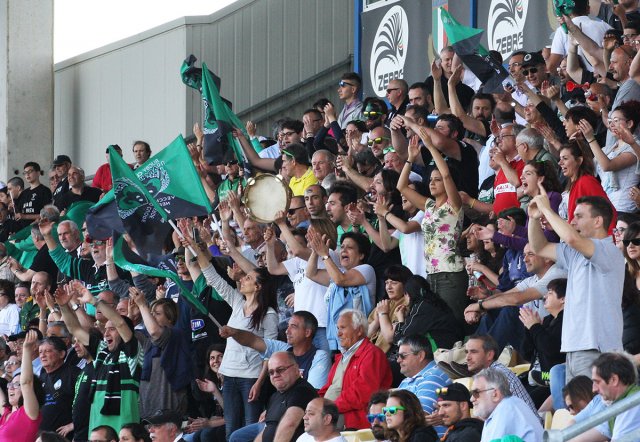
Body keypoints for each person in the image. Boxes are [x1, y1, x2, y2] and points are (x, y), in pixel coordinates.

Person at [528, 191, 625, 381]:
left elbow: (572, 238)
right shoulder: (575, 254)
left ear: (598, 221)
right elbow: (539, 247)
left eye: (579, 216)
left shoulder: (609, 250)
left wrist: (547, 210)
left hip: (597, 349)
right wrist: (533, 218)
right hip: (574, 348)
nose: (572, 222)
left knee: (594, 401)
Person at [189, 234, 278, 438]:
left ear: (258, 287)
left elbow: (270, 352)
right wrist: (194, 247)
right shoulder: (238, 302)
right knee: (232, 430)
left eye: (248, 278)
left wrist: (259, 382)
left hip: (251, 378)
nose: (242, 279)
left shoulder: (269, 314)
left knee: (249, 431)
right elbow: (213, 278)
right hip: (229, 375)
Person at [397, 131, 467, 324]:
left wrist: (430, 146)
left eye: (437, 180)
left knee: (451, 322)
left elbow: (446, 174)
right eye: (430, 180)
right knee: (437, 324)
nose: (432, 182)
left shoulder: (454, 204)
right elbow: (401, 187)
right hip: (431, 274)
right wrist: (410, 159)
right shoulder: (428, 206)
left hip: (451, 273)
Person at [59, 280, 143, 432]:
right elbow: (75, 329)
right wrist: (64, 306)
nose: (106, 333)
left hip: (124, 431)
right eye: (106, 329)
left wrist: (94, 301)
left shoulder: (132, 353)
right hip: (97, 429)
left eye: (112, 329)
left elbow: (120, 323)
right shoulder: (102, 353)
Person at [318, 309, 392, 429]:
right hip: (330, 415)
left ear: (359, 330)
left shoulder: (372, 353)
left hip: (352, 422)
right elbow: (328, 388)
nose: (338, 334)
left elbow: (363, 392)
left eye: (343, 328)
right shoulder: (341, 357)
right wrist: (316, 405)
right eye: (338, 328)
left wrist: (331, 408)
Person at [219, 311, 331, 389]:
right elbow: (252, 341)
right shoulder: (284, 349)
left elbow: (312, 394)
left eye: (293, 326)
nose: (287, 331)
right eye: (288, 326)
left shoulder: (319, 356)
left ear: (307, 332)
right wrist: (234, 332)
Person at [306, 231, 376, 351]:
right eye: (342, 247)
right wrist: (315, 250)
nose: (344, 250)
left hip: (359, 336)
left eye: (350, 247)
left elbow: (340, 280)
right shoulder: (338, 272)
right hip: (339, 336)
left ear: (361, 255)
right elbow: (311, 274)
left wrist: (324, 255)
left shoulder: (367, 269)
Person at [129, 288, 191, 419]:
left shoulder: (174, 334)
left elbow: (154, 332)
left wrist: (142, 305)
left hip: (169, 406)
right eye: (151, 313)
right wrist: (131, 318)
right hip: (147, 406)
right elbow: (125, 335)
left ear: (170, 318)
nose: (152, 316)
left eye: (157, 314)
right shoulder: (146, 337)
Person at [579, 100, 640, 213]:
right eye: (610, 121)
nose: (611, 124)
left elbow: (607, 165)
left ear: (629, 124)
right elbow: (591, 168)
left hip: (623, 207)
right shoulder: (610, 148)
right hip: (607, 207)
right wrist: (581, 141)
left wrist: (591, 138)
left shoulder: (635, 146)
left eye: (616, 120)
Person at [243, 351, 318, 442]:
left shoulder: (303, 391)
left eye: (280, 370)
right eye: (271, 372)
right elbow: (267, 430)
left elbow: (289, 425)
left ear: (296, 369)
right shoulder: (275, 396)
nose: (275, 375)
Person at [572, 353, 640, 441]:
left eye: (597, 382)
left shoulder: (632, 403)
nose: (593, 389)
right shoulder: (619, 403)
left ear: (614, 380)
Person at [464, 335, 538, 416]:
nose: (467, 357)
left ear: (489, 355)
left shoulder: (496, 376)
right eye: (466, 352)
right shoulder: (490, 374)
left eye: (473, 352)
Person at [396, 335, 451, 438]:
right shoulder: (405, 381)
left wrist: (396, 421)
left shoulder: (434, 376)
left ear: (420, 355)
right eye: (397, 356)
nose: (398, 360)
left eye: (403, 356)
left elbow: (420, 416)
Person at [471, 368, 543, 442]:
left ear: (495, 394)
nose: (471, 399)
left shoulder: (506, 408)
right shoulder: (504, 407)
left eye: (476, 393)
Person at [0, 330, 44, 442]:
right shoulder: (6, 414)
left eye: (17, 384)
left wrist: (27, 350)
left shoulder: (29, 413)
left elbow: (26, 383)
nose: (11, 387)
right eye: (10, 384)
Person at [37, 336, 81, 437]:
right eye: (40, 352)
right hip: (42, 437)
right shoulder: (41, 377)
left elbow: (87, 403)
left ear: (61, 354)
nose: (42, 355)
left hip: (65, 437)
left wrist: (74, 424)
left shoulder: (74, 374)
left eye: (47, 351)